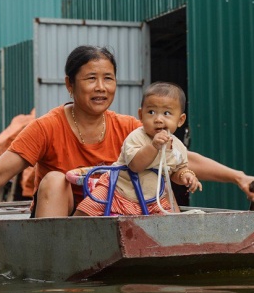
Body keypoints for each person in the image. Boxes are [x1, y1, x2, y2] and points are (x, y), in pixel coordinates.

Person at [0, 45, 254, 249]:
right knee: (56, 179)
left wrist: (237, 177)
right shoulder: (47, 126)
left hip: (115, 224)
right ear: (70, 85)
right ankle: (54, 262)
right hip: (61, 226)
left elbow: (182, 157)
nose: (101, 87)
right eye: (90, 79)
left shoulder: (130, 128)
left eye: (108, 78)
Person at [74, 81, 201, 216]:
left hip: (153, 199)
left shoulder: (178, 147)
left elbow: (176, 170)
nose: (158, 119)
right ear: (141, 115)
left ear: (180, 120)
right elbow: (135, 165)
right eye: (151, 112)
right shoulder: (136, 137)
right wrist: (154, 147)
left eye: (167, 113)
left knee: (169, 224)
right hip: (117, 189)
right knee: (88, 208)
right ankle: (71, 232)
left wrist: (186, 176)